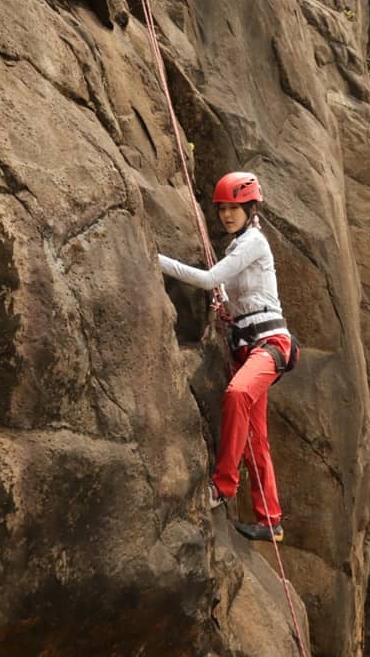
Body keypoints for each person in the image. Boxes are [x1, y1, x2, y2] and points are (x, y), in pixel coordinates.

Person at [158, 171, 295, 543]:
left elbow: (208, 278)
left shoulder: (254, 242)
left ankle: (223, 486)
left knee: (236, 395)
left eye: (234, 207)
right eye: (222, 208)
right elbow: (229, 289)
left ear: (250, 209)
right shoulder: (237, 248)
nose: (226, 215)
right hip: (248, 346)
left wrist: (156, 260)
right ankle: (271, 521)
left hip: (271, 346)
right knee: (256, 439)